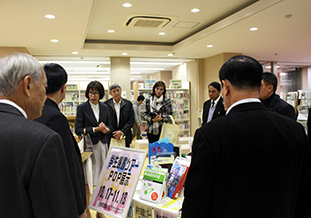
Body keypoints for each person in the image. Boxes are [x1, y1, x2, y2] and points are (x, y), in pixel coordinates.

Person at [182, 55, 311, 218]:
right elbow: (305, 196)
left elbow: (196, 203)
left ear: (226, 87)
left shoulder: (210, 134)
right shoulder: (295, 130)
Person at [0, 53, 79, 217]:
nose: (45, 95)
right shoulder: (41, 139)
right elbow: (56, 208)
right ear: (28, 85)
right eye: (43, 87)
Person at [34, 63, 87, 218]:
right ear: (64, 88)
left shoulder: (38, 112)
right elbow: (68, 164)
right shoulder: (55, 118)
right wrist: (80, 208)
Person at [75, 81, 111, 218]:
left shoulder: (106, 108)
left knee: (102, 180)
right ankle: (87, 210)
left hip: (102, 147)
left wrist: (106, 129)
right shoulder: (82, 108)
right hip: (89, 149)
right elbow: (78, 129)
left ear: (101, 94)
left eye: (96, 92)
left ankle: (100, 210)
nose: (93, 95)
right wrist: (95, 129)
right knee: (87, 181)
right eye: (91, 92)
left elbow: (110, 127)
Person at [104, 83, 135, 148]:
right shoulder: (105, 105)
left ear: (121, 91)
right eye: (114, 91)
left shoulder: (128, 104)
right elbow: (104, 120)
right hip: (110, 136)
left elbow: (131, 120)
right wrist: (114, 133)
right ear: (110, 93)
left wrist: (122, 131)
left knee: (125, 156)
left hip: (125, 135)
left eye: (118, 90)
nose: (116, 93)